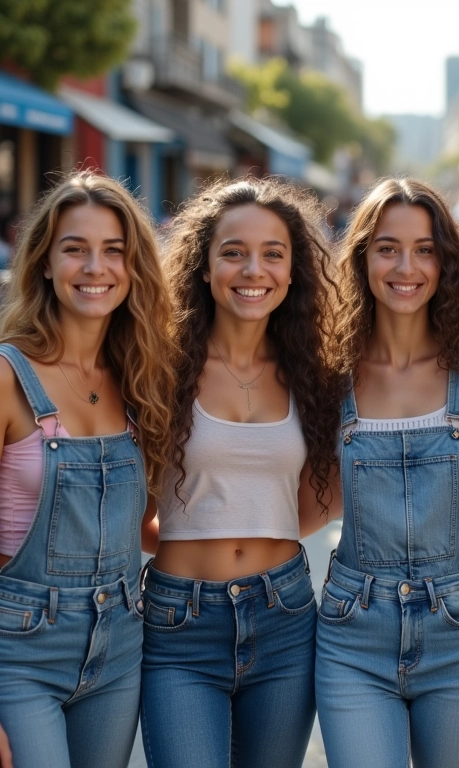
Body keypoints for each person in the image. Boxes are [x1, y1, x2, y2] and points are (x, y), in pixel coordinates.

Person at [140, 177, 339, 768]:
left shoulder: (315, 373)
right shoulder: (158, 365)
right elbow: (126, 503)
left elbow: (313, 504)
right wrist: (189, 543)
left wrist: (258, 532)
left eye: (272, 254)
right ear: (203, 267)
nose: (253, 270)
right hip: (180, 621)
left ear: (292, 270)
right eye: (233, 252)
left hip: (284, 616)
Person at [315, 178, 459, 768]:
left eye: (425, 248)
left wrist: (436, 562)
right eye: (387, 247)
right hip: (353, 632)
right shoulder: (331, 373)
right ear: (362, 258)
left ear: (445, 261)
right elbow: (305, 503)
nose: (407, 266)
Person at [0, 171, 176, 768]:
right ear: (45, 263)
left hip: (120, 646)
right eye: (74, 248)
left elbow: (141, 523)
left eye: (113, 251)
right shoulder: (6, 377)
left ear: (133, 269)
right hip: (19, 653)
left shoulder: (140, 382)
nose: (94, 267)